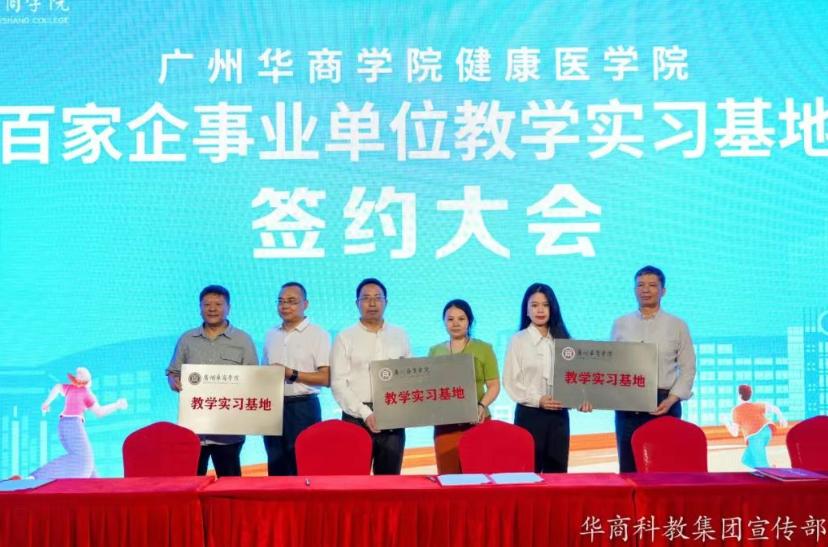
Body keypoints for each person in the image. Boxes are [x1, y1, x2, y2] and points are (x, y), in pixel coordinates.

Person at [611, 265, 696, 472]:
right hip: (628, 403)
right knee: (629, 467)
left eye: (652, 285)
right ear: (634, 290)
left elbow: (688, 367)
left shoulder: (677, 325)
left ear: (663, 290)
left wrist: (672, 399)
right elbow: (612, 365)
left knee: (665, 467)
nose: (645, 290)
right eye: (640, 285)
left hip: (664, 403)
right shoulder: (621, 323)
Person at [166, 284, 258, 477]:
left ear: (228, 308)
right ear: (200, 308)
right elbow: (173, 372)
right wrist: (174, 382)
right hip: (193, 430)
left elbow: (254, 379)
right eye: (207, 304)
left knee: (230, 485)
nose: (212, 309)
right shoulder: (187, 339)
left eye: (218, 304)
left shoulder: (242, 340)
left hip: (229, 432)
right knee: (191, 484)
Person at [503, 283, 590, 473]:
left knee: (557, 474)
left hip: (559, 416)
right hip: (530, 415)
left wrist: (581, 399)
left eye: (545, 305)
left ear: (553, 308)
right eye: (534, 305)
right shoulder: (518, 340)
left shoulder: (565, 341)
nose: (540, 310)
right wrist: (538, 399)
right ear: (526, 310)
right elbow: (511, 381)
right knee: (528, 474)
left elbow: (575, 379)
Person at [330, 278, 411, 475]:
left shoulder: (400, 334)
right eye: (366, 298)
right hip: (355, 417)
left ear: (386, 302)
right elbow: (338, 383)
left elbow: (409, 375)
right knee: (354, 481)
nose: (372, 303)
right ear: (357, 303)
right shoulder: (345, 337)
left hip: (392, 414)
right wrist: (365, 413)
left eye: (377, 298)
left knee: (389, 481)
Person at [261, 282, 331, 476]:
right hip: (272, 407)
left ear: (305, 304)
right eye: (281, 301)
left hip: (303, 408)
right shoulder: (271, 334)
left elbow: (326, 378)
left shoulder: (318, 334)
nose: (285, 306)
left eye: (291, 301)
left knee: (304, 466)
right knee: (276, 466)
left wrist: (291, 373)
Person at [428, 299, 500, 474]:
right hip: (445, 425)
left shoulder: (484, 349)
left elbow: (494, 385)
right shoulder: (435, 351)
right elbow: (430, 388)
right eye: (450, 319)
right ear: (444, 322)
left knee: (479, 475)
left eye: (461, 319)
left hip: (477, 420)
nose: (455, 323)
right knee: (449, 478)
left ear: (470, 321)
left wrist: (481, 406)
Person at [29, 366, 127, 479]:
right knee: (84, 460)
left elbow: (99, 412)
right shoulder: (77, 390)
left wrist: (116, 405)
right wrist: (47, 402)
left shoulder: (82, 392)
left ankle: (97, 487)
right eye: (78, 375)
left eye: (81, 375)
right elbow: (58, 387)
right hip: (71, 423)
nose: (78, 377)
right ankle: (36, 477)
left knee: (88, 464)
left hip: (67, 424)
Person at [724, 384, 787, 469]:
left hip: (755, 437)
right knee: (746, 459)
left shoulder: (736, 411)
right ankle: (769, 469)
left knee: (763, 466)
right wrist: (782, 418)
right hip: (767, 431)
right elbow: (775, 409)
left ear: (739, 395)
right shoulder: (757, 405)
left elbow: (735, 433)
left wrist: (727, 423)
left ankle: (770, 471)